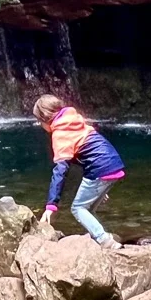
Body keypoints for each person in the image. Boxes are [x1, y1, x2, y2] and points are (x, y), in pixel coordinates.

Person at [33, 94, 124, 250]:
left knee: (78, 208)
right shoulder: (73, 120)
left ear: (45, 119)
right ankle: (101, 236)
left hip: (100, 169)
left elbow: (60, 172)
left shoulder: (60, 134)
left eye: (39, 121)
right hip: (113, 163)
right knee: (88, 208)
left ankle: (105, 240)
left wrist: (51, 205)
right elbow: (90, 154)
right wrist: (101, 188)